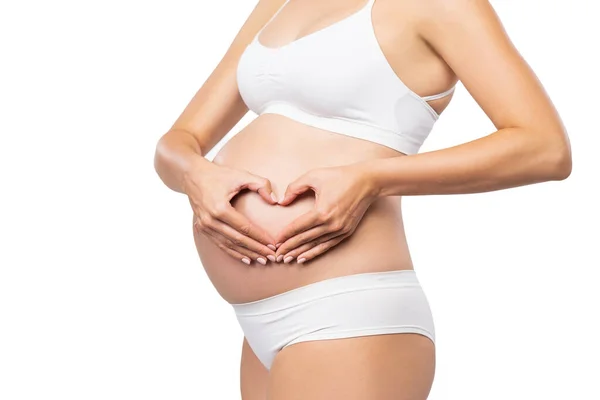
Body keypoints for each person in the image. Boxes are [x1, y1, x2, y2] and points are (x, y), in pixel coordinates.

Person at [153, 0, 572, 398]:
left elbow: (545, 148)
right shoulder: (278, 5)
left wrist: (371, 178)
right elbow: (179, 141)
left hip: (346, 313)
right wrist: (196, 176)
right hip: (258, 322)